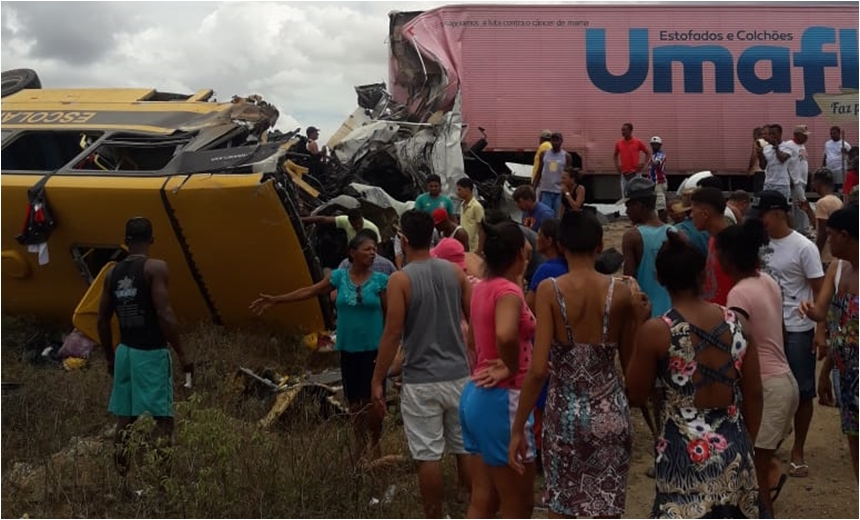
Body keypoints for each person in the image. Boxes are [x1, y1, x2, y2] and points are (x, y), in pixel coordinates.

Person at [510, 210, 639, 518]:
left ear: (562, 246)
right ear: (599, 246)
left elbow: (539, 369)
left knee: (562, 503)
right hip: (610, 415)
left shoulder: (550, 290)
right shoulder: (621, 292)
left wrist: (518, 428)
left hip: (564, 417)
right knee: (605, 505)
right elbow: (632, 370)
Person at [626, 231, 763, 519]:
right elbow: (754, 393)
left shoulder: (657, 331)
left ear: (660, 278)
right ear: (703, 274)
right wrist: (745, 439)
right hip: (734, 442)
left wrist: (637, 324)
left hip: (683, 449)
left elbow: (635, 393)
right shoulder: (737, 323)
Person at [250, 232, 389, 462]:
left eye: (374, 249)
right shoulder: (339, 278)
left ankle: (375, 445)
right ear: (352, 253)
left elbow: (391, 314)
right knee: (354, 401)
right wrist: (276, 299)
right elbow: (310, 291)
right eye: (367, 249)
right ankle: (359, 446)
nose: (372, 253)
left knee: (373, 401)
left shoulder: (380, 282)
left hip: (373, 349)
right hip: (348, 350)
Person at [371, 210, 474, 519]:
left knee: (427, 455)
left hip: (420, 379)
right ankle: (469, 504)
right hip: (459, 375)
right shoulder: (455, 273)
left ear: (403, 240)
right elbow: (475, 320)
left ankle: (434, 514)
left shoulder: (399, 280)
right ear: (433, 236)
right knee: (463, 446)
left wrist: (378, 378)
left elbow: (392, 333)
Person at [97, 217, 192, 479]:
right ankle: (164, 484)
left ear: (126, 241)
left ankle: (122, 479)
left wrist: (110, 358)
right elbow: (165, 313)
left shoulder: (112, 274)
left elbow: (102, 320)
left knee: (125, 420)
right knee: (162, 419)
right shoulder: (155, 268)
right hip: (150, 353)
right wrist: (183, 354)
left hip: (125, 353)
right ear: (151, 239)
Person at [716, 220, 799, 516]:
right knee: (758, 464)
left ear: (728, 257)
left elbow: (737, 347)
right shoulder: (766, 281)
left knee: (755, 472)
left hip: (766, 388)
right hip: (784, 381)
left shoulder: (739, 294)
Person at [460, 220, 536, 519]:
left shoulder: (483, 287)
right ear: (519, 252)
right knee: (518, 504)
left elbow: (471, 338)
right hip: (504, 399)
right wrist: (510, 365)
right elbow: (505, 334)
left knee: (484, 499)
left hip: (476, 394)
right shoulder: (507, 292)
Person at [754, 190, 825, 478]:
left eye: (764, 215)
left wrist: (820, 331)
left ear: (778, 213)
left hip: (797, 328)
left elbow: (820, 292)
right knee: (767, 388)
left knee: (803, 390)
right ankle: (769, 443)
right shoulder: (759, 244)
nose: (761, 221)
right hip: (766, 328)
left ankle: (798, 450)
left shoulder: (803, 247)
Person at [799, 204, 859, 480]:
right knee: (854, 440)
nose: (828, 239)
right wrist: (827, 370)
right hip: (847, 376)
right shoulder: (839, 268)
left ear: (845, 236)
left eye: (831, 234)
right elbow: (827, 316)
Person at [522, 218, 567, 476]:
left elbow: (527, 309)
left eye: (539, 234)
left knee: (542, 399)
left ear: (549, 241)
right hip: (568, 342)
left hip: (545, 342)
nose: (535, 238)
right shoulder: (569, 267)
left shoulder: (545, 271)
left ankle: (541, 452)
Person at [622, 177, 674, 318]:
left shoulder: (632, 236)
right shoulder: (676, 233)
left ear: (638, 206)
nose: (626, 211)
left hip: (646, 314)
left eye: (628, 206)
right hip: (674, 314)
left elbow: (629, 282)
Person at [690, 187, 734, 305]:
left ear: (705, 213)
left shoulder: (734, 243)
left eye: (693, 211)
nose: (691, 215)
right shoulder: (712, 240)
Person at [481, 209, 544, 288]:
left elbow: (529, 249)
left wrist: (522, 270)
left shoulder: (515, 232)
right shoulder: (510, 232)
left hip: (535, 266)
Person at [800, 167, 844, 255]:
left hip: (826, 254)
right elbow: (819, 227)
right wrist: (808, 211)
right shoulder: (837, 201)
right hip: (835, 252)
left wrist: (816, 253)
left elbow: (822, 233)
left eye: (813, 182)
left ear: (818, 183)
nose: (812, 185)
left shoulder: (822, 203)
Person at [533, 132, 574, 212]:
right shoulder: (544, 154)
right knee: (546, 213)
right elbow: (539, 171)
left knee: (557, 215)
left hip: (559, 192)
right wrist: (533, 187)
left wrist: (568, 192)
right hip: (546, 190)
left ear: (562, 141)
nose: (555, 141)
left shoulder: (566, 156)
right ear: (550, 141)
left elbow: (569, 176)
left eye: (557, 139)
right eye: (553, 139)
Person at [784, 125, 811, 232]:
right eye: (804, 135)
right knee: (802, 204)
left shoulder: (802, 145)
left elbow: (803, 161)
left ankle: (797, 228)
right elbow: (785, 163)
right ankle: (804, 229)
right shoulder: (789, 145)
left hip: (802, 180)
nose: (806, 138)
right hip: (796, 180)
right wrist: (789, 178)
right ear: (797, 135)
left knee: (797, 206)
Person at [302, 207, 380, 243]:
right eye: (354, 225)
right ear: (349, 221)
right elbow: (323, 219)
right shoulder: (345, 221)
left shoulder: (372, 228)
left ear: (362, 218)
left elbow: (378, 248)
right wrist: (302, 219)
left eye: (360, 224)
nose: (357, 227)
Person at [614, 122, 651, 197]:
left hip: (636, 174)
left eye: (624, 130)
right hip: (624, 174)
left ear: (630, 131)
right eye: (622, 130)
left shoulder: (637, 142)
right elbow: (615, 155)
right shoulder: (619, 143)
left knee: (637, 195)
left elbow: (648, 153)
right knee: (625, 195)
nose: (623, 132)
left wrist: (643, 163)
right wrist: (617, 165)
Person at [759, 123, 792, 200]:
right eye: (770, 134)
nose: (771, 136)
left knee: (782, 209)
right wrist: (760, 154)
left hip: (782, 184)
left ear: (780, 134)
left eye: (774, 134)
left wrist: (776, 146)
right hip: (768, 183)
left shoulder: (787, 146)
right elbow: (762, 166)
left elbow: (782, 159)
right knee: (767, 208)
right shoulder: (766, 148)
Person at [457, 177, 485, 254]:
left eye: (460, 189)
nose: (457, 192)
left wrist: (479, 250)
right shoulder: (462, 205)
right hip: (463, 245)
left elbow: (482, 229)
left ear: (467, 189)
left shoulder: (476, 207)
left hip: (473, 248)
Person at [823, 126, 851, 191]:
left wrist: (846, 153)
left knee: (840, 187)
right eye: (831, 133)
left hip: (840, 169)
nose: (832, 135)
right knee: (830, 187)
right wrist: (823, 166)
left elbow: (850, 158)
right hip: (829, 169)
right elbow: (825, 155)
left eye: (834, 133)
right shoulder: (827, 143)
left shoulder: (845, 145)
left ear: (839, 133)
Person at [648, 135, 669, 222]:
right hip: (653, 182)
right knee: (656, 205)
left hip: (659, 183)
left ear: (660, 145)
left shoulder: (661, 154)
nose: (654, 146)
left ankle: (664, 224)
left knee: (660, 206)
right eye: (653, 144)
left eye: (656, 144)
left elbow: (656, 163)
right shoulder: (653, 155)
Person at [749, 126, 767, 193]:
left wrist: (749, 169)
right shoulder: (766, 143)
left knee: (758, 192)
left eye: (754, 134)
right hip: (766, 171)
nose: (753, 136)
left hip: (758, 170)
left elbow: (753, 156)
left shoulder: (757, 142)